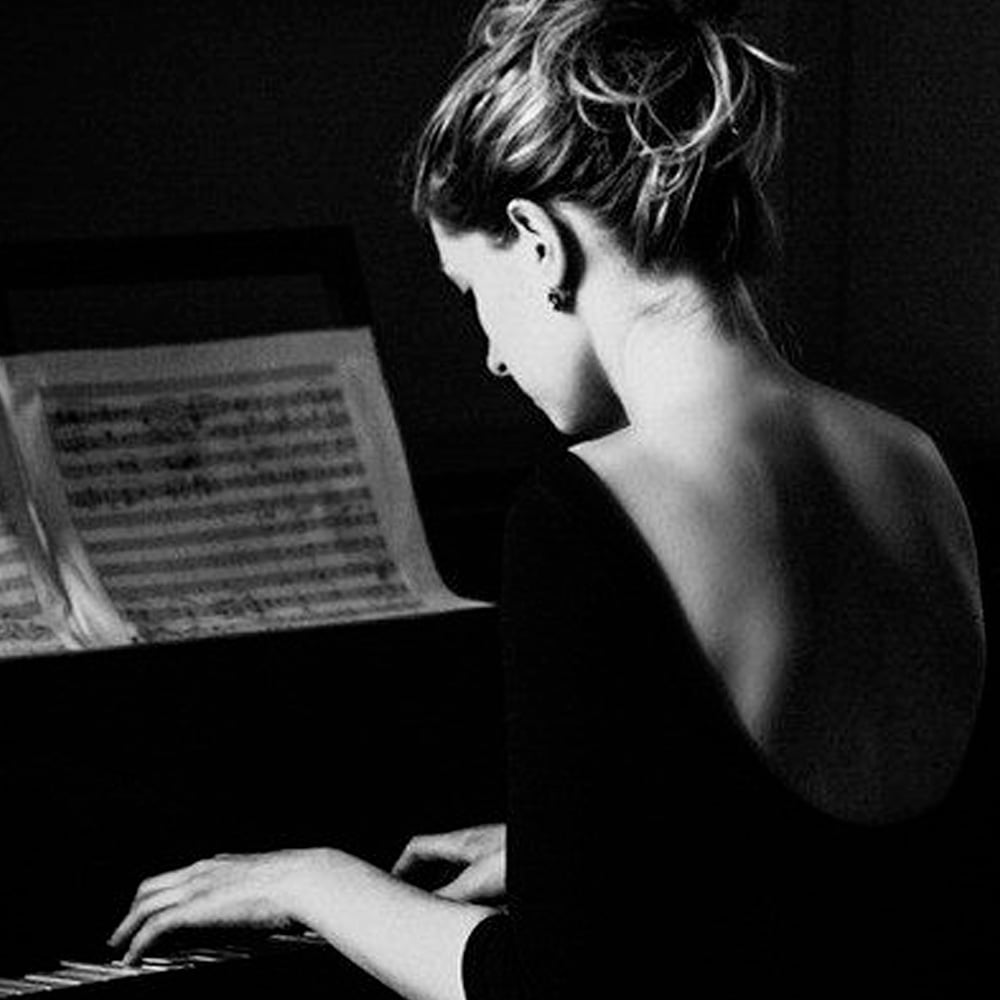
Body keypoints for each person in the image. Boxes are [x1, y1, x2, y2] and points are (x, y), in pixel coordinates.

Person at [109, 0, 987, 995]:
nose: (486, 350)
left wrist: (318, 880)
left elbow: (554, 984)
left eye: (470, 290)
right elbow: (846, 865)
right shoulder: (921, 464)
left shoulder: (586, 516)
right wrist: (582, 849)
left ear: (537, 242)